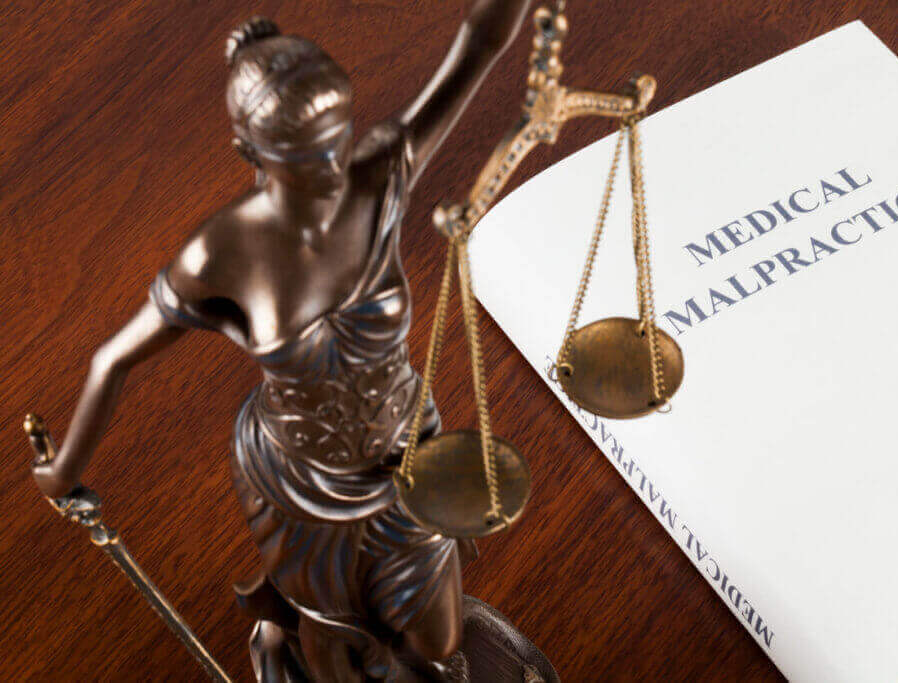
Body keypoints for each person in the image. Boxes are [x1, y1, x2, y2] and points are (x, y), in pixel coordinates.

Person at [32, 2, 534, 680]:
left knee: (437, 649)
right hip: (300, 487)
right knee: (337, 657)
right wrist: (62, 472)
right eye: (305, 158)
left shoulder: (378, 173)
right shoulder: (222, 254)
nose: (331, 168)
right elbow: (113, 359)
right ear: (252, 154)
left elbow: (479, 43)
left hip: (407, 457)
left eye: (337, 139)